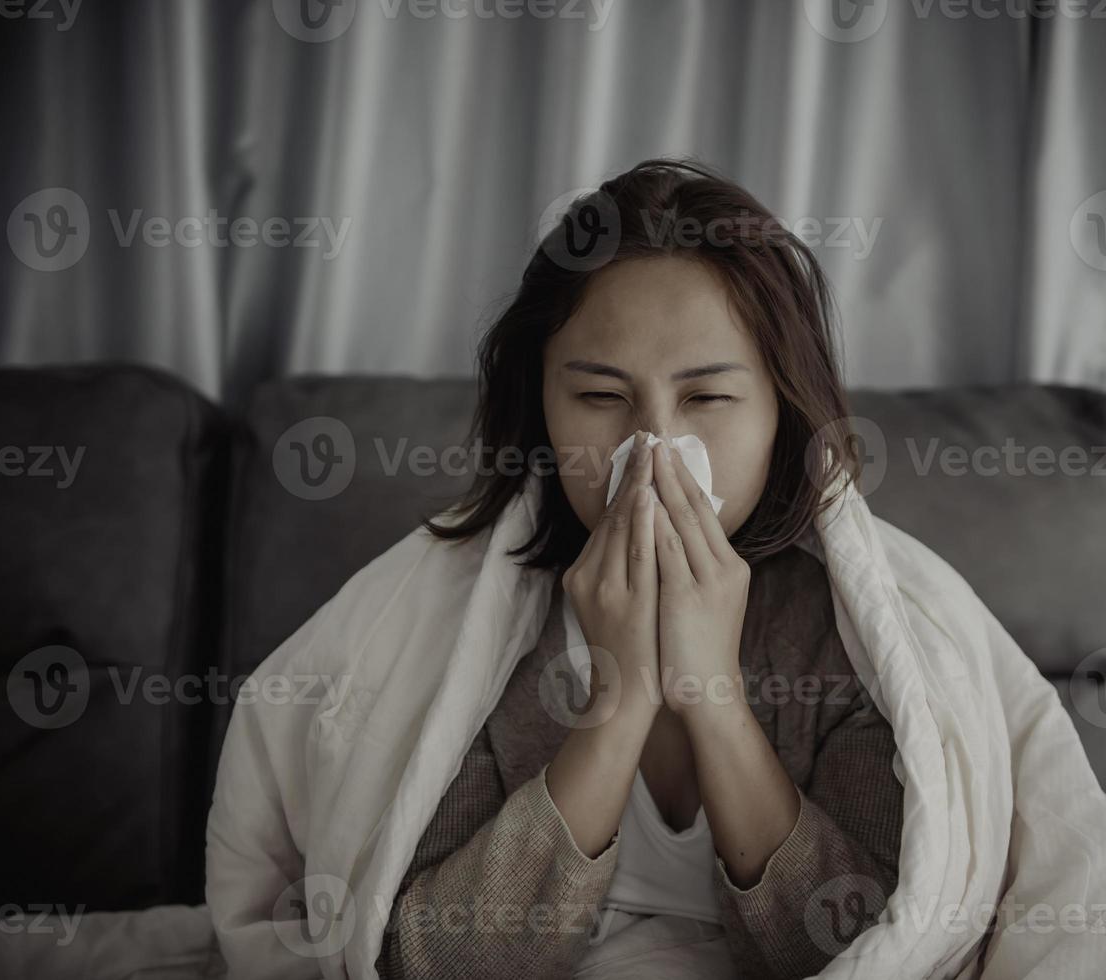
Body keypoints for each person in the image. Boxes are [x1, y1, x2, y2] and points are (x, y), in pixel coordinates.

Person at [374, 158, 905, 979]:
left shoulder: (853, 638)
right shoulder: (476, 634)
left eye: (707, 399)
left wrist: (711, 693)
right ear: (542, 410)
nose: (651, 451)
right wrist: (617, 697)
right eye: (598, 399)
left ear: (781, 412)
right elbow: (435, 963)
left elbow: (869, 952)